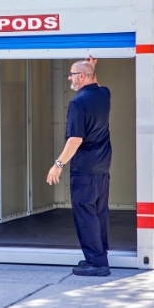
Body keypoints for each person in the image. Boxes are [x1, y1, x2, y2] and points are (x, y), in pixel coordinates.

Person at [47, 57, 112, 277]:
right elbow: (97, 84)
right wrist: (93, 68)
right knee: (99, 213)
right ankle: (100, 255)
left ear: (81, 76)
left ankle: (96, 263)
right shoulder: (104, 94)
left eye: (72, 74)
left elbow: (75, 139)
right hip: (102, 168)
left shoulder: (77, 102)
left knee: (85, 215)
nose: (69, 78)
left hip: (84, 170)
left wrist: (58, 165)